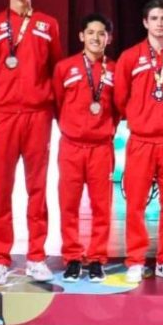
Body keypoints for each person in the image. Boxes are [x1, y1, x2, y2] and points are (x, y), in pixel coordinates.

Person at [0, 0, 64, 286]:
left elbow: (57, 71)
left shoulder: (48, 24)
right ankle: (1, 258)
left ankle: (36, 256)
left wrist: (58, 112)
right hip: (3, 115)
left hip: (37, 115)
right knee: (1, 188)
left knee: (37, 187)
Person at [114, 0, 163, 283]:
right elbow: (121, 98)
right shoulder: (130, 57)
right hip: (141, 141)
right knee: (135, 202)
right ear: (145, 22)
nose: (160, 23)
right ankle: (135, 260)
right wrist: (142, 116)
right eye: (154, 18)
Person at [54, 14, 119, 283]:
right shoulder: (64, 68)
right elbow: (58, 104)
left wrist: (103, 130)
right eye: (90, 32)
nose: (95, 37)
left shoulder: (115, 70)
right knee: (68, 205)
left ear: (109, 38)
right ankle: (71, 258)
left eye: (101, 33)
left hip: (101, 148)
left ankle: (96, 259)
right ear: (81, 36)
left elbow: (118, 109)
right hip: (70, 147)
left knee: (101, 207)